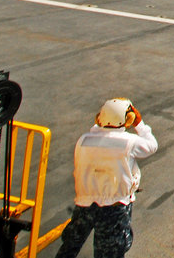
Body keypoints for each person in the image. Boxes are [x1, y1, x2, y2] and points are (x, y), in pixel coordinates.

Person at [55, 98, 158, 258]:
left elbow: (98, 133)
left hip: (85, 203)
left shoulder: (84, 140)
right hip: (114, 206)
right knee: (109, 252)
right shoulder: (129, 142)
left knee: (70, 245)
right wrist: (140, 125)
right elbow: (152, 146)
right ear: (128, 119)